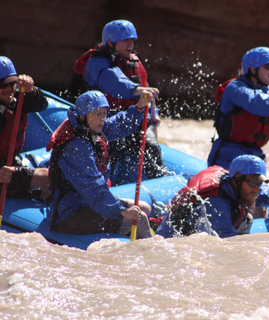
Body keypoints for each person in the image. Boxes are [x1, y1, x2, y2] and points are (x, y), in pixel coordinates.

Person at [47, 90, 153, 238]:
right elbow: (93, 187)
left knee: (144, 208)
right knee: (139, 218)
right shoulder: (76, 147)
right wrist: (120, 211)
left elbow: (119, 125)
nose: (102, 119)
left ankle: (123, 235)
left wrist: (138, 109)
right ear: (83, 116)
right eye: (97, 114)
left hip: (87, 203)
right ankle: (149, 255)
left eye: (104, 113)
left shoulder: (91, 129)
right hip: (70, 213)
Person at [75, 19, 164, 186]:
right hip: (106, 119)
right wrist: (135, 90)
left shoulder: (134, 61)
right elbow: (112, 80)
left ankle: (158, 186)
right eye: (125, 41)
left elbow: (145, 91)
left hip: (134, 116)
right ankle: (103, 188)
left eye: (132, 40)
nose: (130, 45)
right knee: (111, 148)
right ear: (110, 42)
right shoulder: (97, 62)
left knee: (151, 148)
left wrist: (154, 114)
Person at [156, 154, 269, 238]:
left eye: (260, 182)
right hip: (174, 237)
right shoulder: (215, 202)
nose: (257, 188)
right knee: (246, 218)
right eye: (254, 183)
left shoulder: (245, 186)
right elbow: (228, 245)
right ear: (236, 180)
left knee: (246, 217)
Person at [207, 46, 269, 170]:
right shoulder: (235, 89)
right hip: (227, 158)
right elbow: (255, 102)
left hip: (255, 163)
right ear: (253, 69)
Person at [0, 56, 50, 201]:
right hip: (3, 174)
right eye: (4, 85)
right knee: (47, 180)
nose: (10, 89)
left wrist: (31, 90)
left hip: (10, 165)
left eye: (12, 84)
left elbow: (40, 105)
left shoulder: (16, 99)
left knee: (52, 177)